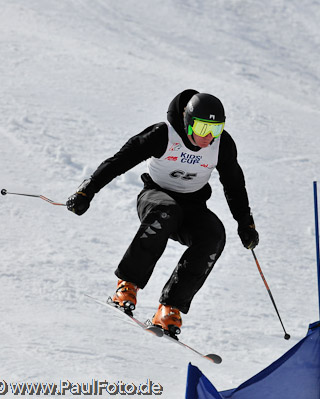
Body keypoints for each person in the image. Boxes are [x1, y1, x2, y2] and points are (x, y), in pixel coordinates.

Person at [66, 89, 259, 336]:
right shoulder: (163, 135)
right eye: (202, 128)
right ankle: (127, 285)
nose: (208, 137)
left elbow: (234, 184)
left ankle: (169, 308)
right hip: (155, 196)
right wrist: (87, 191)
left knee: (214, 235)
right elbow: (120, 160)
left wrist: (245, 223)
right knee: (166, 211)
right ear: (188, 121)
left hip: (193, 206)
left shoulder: (222, 145)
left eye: (216, 129)